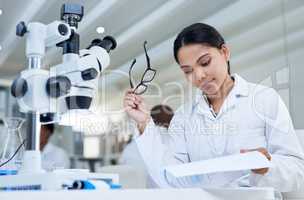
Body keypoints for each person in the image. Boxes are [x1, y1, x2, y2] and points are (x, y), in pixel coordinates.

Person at [123, 23, 304, 192]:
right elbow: (170, 178)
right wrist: (144, 122)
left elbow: (297, 172)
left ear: (224, 52)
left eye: (205, 62)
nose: (199, 75)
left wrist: (266, 167)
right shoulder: (184, 116)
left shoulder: (265, 99)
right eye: (188, 71)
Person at [119, 104, 174, 188]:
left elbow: (121, 168)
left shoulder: (130, 148)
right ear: (172, 120)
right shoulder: (174, 143)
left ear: (151, 119)